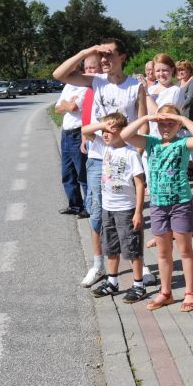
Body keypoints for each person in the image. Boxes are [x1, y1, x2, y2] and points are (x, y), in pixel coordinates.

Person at [53, 38, 150, 288]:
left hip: (126, 160)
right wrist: (87, 51)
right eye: (102, 56)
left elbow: (143, 125)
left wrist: (135, 155)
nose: (104, 60)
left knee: (130, 214)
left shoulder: (135, 87)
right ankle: (98, 266)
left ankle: (139, 265)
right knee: (98, 214)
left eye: (109, 55)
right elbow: (59, 74)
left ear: (122, 57)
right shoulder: (96, 81)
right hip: (98, 159)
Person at [121, 105, 193, 311]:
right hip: (158, 205)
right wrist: (147, 118)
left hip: (180, 203)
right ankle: (166, 292)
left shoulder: (183, 143)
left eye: (171, 124)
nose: (166, 127)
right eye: (162, 124)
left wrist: (182, 119)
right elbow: (125, 135)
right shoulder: (151, 143)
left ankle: (190, 292)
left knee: (185, 250)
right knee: (163, 252)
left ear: (178, 125)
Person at [81, 112, 148, 303]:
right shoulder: (104, 147)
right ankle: (112, 282)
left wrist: (138, 212)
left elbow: (140, 184)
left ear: (122, 131)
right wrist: (102, 126)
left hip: (126, 209)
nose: (105, 134)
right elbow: (85, 130)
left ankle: (138, 285)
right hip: (107, 208)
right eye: (103, 131)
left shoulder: (131, 153)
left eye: (110, 131)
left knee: (132, 247)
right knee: (110, 247)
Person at [54, 61, 94, 217]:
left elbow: (73, 107)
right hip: (66, 134)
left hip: (78, 133)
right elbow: (57, 109)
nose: (70, 73)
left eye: (73, 70)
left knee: (82, 173)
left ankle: (89, 207)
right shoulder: (68, 86)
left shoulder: (85, 86)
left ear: (79, 70)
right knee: (67, 173)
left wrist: (66, 104)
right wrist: (66, 104)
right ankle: (75, 205)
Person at [176, 60, 193, 177]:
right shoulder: (178, 83)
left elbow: (190, 98)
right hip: (180, 120)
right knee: (184, 145)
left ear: (189, 70)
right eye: (179, 70)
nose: (181, 72)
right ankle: (189, 167)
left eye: (183, 69)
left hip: (190, 119)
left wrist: (176, 107)